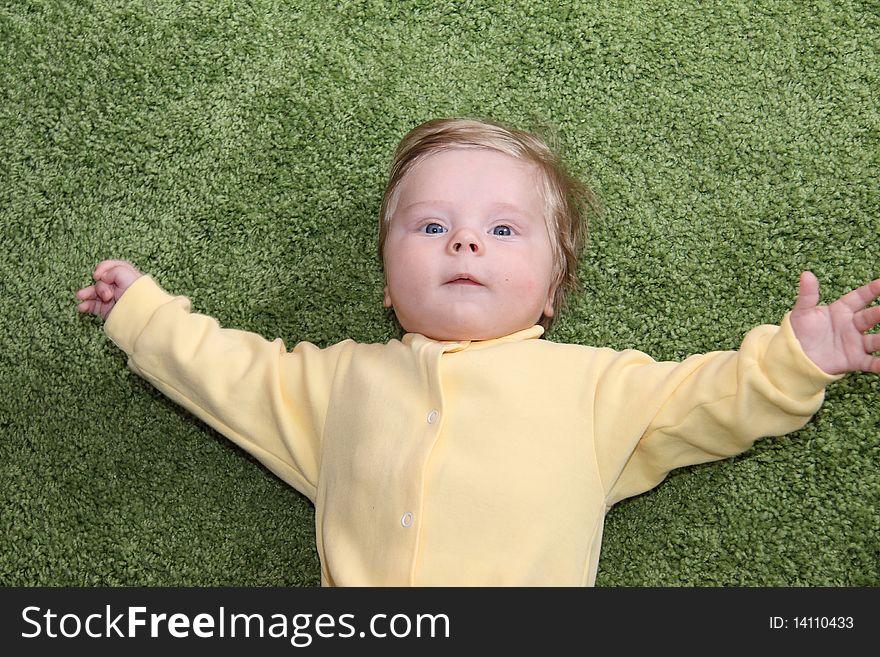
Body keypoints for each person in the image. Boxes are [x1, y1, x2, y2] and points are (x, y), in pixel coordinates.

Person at [75, 118, 880, 586]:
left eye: (503, 229)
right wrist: (142, 311)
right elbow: (227, 373)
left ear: (554, 288)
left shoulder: (595, 386)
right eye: (431, 226)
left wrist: (797, 357)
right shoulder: (335, 381)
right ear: (386, 284)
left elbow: (710, 399)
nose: (463, 238)